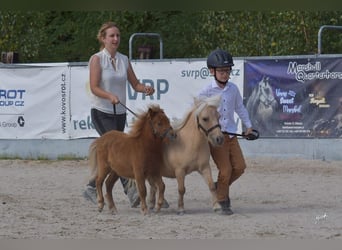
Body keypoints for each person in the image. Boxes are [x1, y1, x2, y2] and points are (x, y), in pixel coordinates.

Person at [83, 21, 169, 208]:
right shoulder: (97, 59)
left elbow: (135, 84)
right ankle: (133, 192)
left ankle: (92, 187)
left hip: (120, 112)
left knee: (120, 153)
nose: (115, 39)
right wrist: (109, 96)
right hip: (102, 111)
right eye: (111, 36)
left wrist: (145, 89)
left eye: (118, 36)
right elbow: (94, 87)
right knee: (118, 151)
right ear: (103, 38)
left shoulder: (124, 59)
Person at [198, 48, 253, 215]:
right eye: (221, 71)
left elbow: (240, 108)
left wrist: (248, 125)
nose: (225, 74)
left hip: (232, 134)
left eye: (228, 70)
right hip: (217, 138)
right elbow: (196, 112)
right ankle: (222, 200)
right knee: (226, 169)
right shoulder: (206, 92)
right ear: (212, 71)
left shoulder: (233, 89)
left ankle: (219, 187)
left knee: (240, 167)